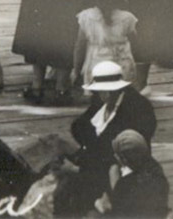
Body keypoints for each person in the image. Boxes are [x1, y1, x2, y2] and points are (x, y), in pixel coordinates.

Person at [53, 61, 156, 216]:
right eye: (100, 91)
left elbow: (116, 150)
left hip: (120, 167)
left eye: (106, 91)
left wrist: (79, 166)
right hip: (97, 157)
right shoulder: (100, 100)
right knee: (54, 147)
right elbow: (78, 126)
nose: (103, 94)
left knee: (69, 184)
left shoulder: (139, 108)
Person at [73, 0, 138, 85]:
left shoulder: (86, 17)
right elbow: (136, 43)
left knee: (97, 95)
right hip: (121, 66)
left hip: (95, 65)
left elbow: (79, 47)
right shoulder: (127, 18)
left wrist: (76, 70)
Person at [99, 130, 168, 218]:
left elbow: (119, 211)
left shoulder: (125, 183)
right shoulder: (156, 170)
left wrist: (105, 205)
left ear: (124, 159)